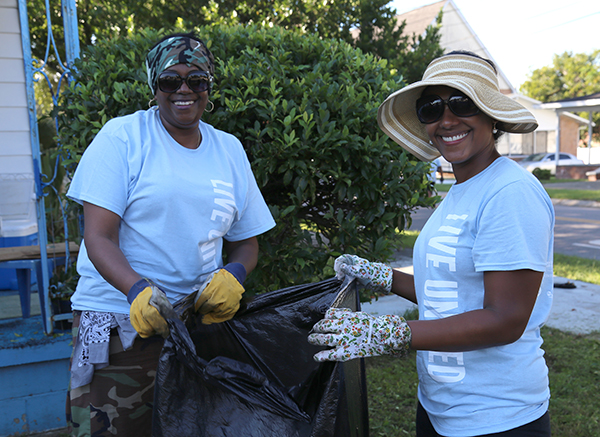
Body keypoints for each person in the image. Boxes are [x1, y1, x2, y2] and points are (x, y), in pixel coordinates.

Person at [309, 51, 554, 437]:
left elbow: (505, 319)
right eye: (431, 108)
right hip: (441, 408)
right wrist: (383, 276)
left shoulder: (510, 191)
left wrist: (391, 332)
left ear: (491, 115)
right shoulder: (462, 190)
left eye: (462, 103)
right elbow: (448, 291)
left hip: (497, 417)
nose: (447, 120)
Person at [65, 32, 275, 436]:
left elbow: (246, 240)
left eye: (196, 80)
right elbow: (99, 237)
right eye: (170, 81)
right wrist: (136, 290)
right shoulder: (122, 138)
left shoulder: (228, 149)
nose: (184, 90)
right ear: (153, 87)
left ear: (209, 86)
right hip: (119, 323)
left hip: (197, 325)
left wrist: (234, 275)